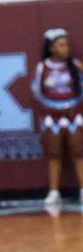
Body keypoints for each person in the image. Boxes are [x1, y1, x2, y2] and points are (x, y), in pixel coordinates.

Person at [32, 28, 83, 209]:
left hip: (73, 115)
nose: (66, 48)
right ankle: (54, 191)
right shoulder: (42, 68)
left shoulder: (75, 65)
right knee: (54, 153)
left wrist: (74, 105)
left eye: (66, 45)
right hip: (52, 117)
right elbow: (36, 92)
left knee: (78, 151)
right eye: (61, 45)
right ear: (52, 48)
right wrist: (54, 107)